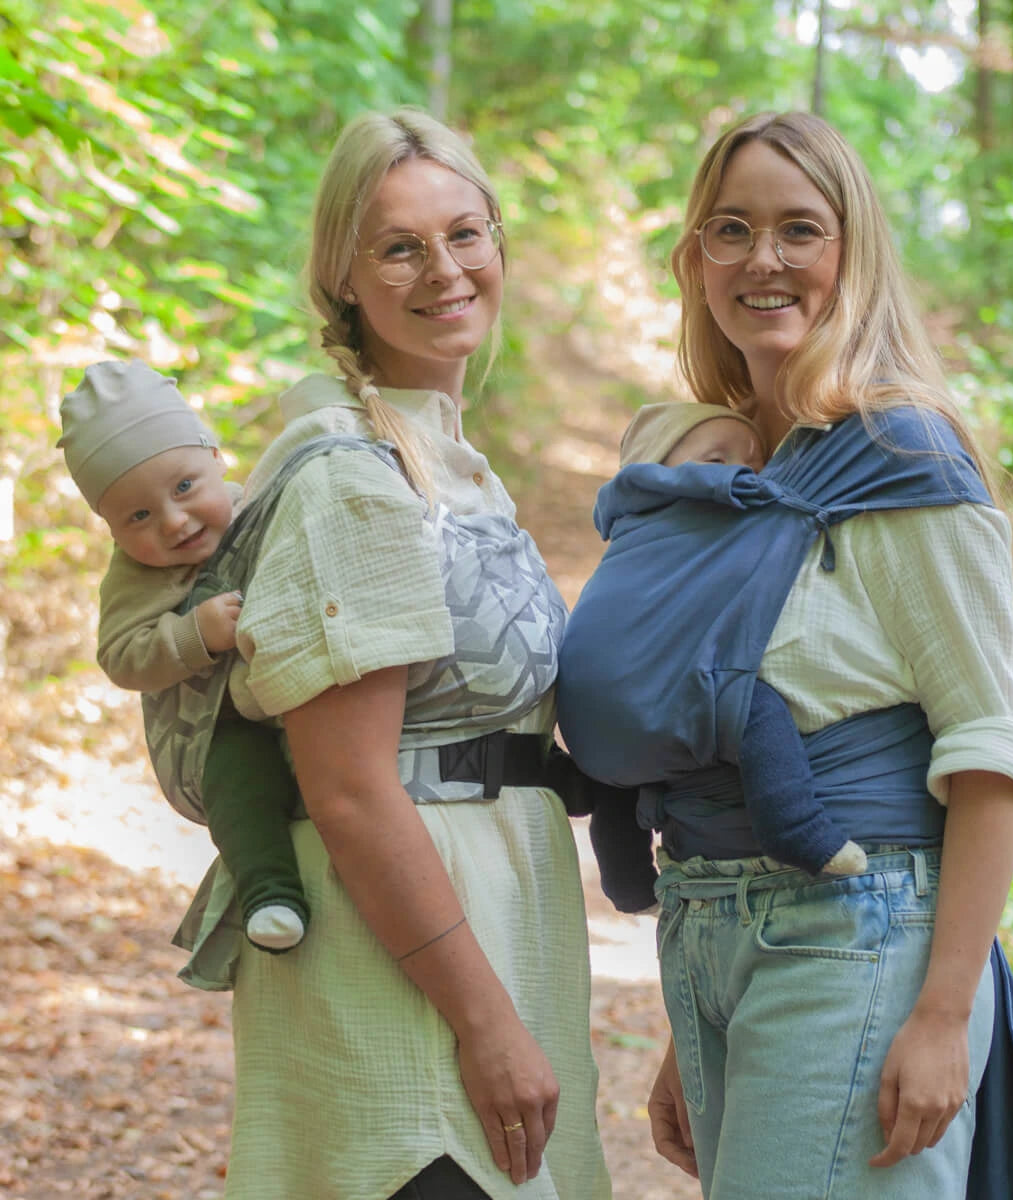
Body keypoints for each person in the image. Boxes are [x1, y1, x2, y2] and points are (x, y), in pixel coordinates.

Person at [559, 111, 1013, 1199]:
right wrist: (687, 1024)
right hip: (716, 934)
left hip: (863, 933)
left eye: (802, 230)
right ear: (694, 259)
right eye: (731, 230)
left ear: (854, 253)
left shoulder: (901, 455)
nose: (765, 260)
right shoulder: (716, 471)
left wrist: (940, 1015)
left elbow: (990, 753)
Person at [162, 108, 610, 1200]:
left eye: (466, 233)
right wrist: (483, 1020)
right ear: (343, 280)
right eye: (400, 247)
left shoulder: (450, 465)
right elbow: (352, 791)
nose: (444, 269)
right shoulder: (354, 479)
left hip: (486, 925)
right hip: (401, 971)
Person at [559, 401, 867, 914]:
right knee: (750, 705)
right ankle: (797, 829)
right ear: (655, 469)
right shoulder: (679, 499)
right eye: (717, 459)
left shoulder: (628, 528)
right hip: (659, 690)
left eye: (754, 460)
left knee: (618, 785)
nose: (742, 473)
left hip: (589, 715)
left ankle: (628, 885)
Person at [57, 359, 309, 952]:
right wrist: (194, 633)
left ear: (218, 459)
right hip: (221, 724)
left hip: (304, 690)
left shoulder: (265, 509)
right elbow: (121, 655)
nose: (173, 521)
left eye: (185, 487)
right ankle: (271, 893)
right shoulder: (134, 579)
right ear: (112, 530)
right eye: (139, 516)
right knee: (238, 784)